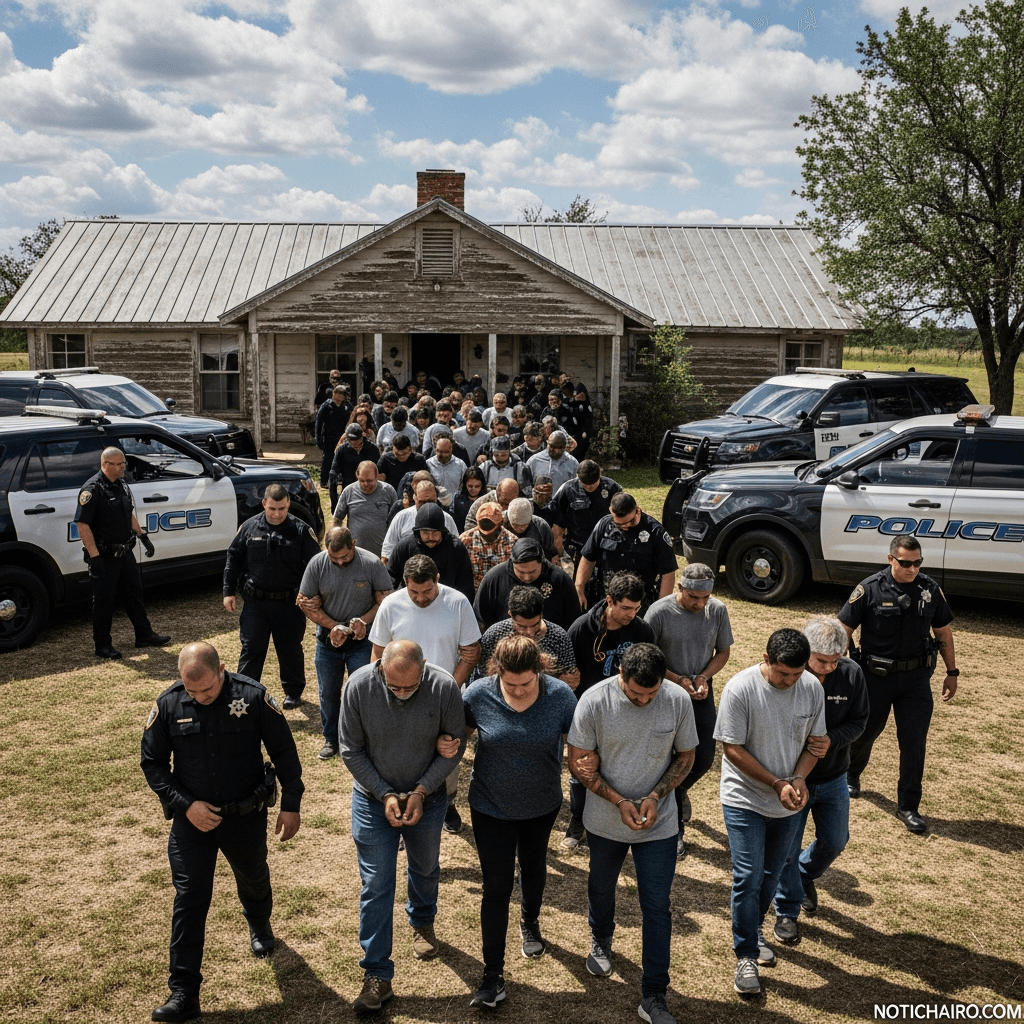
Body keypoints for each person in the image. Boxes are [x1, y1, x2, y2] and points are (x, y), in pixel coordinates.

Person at [141, 642, 303, 1023]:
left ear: (222, 670)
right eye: (192, 691)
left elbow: (284, 752)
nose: (199, 697)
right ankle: (183, 992)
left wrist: (291, 804)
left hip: (244, 815)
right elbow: (152, 763)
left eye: (207, 690)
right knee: (190, 896)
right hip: (192, 821)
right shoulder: (169, 704)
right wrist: (186, 805)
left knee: (252, 874)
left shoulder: (253, 697)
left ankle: (259, 920)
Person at [567, 644, 696, 1024]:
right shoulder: (593, 702)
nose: (643, 701)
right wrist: (618, 800)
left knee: (657, 906)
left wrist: (656, 796)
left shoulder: (676, 700)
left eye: (650, 694)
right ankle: (601, 938)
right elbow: (577, 762)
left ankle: (654, 994)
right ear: (620, 674)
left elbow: (685, 756)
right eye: (636, 693)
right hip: (605, 821)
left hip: (659, 822)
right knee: (601, 887)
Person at [339, 640, 466, 1014]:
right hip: (372, 799)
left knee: (424, 865)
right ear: (380, 667)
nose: (404, 693)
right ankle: (377, 974)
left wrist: (423, 791)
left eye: (411, 687)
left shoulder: (443, 687)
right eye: (395, 687)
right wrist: (384, 794)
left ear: (424, 668)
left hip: (427, 796)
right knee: (377, 882)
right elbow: (350, 749)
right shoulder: (359, 687)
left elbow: (455, 745)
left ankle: (422, 920)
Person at [462, 635, 578, 1008]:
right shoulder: (478, 694)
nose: (517, 689)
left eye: (525, 683)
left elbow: (578, 744)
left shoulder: (560, 696)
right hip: (489, 806)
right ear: (496, 669)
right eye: (509, 683)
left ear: (539, 669)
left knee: (532, 866)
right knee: (496, 886)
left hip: (541, 805)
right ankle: (491, 975)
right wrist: (450, 745)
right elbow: (458, 737)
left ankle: (530, 922)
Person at [714, 628, 825, 997]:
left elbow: (815, 744)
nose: (790, 681)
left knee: (771, 873)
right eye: (782, 674)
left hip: (789, 800)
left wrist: (798, 778)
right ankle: (745, 954)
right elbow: (732, 748)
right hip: (744, 798)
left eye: (796, 674)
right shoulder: (740, 688)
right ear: (766, 659)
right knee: (747, 875)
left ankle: (755, 929)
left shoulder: (811, 687)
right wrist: (777, 784)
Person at [839, 534, 958, 834]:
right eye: (905, 563)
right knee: (864, 732)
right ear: (891, 559)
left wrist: (952, 672)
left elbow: (943, 632)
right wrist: (847, 662)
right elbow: (843, 627)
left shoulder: (929, 590)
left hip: (915, 681)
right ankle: (851, 773)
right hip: (874, 678)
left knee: (914, 743)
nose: (912, 569)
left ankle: (908, 806)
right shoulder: (869, 589)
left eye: (917, 563)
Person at [772, 617, 868, 944]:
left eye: (835, 660)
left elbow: (860, 721)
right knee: (786, 848)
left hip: (833, 777)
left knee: (836, 840)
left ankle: (803, 874)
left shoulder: (852, 674)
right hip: (791, 779)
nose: (827, 668)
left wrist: (833, 740)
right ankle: (786, 910)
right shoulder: (788, 676)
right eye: (820, 661)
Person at [370, 556, 482, 834]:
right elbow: (378, 653)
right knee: (401, 751)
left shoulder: (457, 603)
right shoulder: (391, 605)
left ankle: (448, 802)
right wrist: (387, 690)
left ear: (438, 579)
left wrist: (450, 687)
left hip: (446, 694)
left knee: (447, 748)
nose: (420, 598)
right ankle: (400, 803)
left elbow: (470, 652)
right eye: (414, 592)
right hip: (398, 694)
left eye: (427, 592)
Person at [644, 563, 733, 859]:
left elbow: (723, 652)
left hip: (698, 693)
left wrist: (703, 677)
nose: (699, 604)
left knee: (705, 756)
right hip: (664, 695)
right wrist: (677, 680)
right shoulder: (658, 612)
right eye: (693, 597)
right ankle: (675, 831)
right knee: (671, 758)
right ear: (680, 589)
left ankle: (677, 793)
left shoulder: (717, 610)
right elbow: (647, 657)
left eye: (704, 598)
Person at [563, 571, 655, 851]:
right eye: (626, 607)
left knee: (615, 770)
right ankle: (577, 822)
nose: (631, 614)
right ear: (609, 601)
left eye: (637, 608)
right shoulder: (581, 629)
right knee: (582, 771)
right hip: (588, 713)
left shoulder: (643, 631)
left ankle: (604, 825)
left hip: (628, 712)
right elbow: (568, 674)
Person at [297, 526, 393, 760]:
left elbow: (386, 601)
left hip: (362, 642)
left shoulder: (371, 563)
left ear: (354, 544)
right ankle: (331, 738)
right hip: (327, 643)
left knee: (364, 692)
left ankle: (363, 739)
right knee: (328, 693)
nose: (340, 562)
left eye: (345, 557)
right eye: (334, 558)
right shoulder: (317, 564)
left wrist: (364, 621)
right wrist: (333, 626)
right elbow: (306, 604)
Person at [223, 484, 322, 710]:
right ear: (264, 504)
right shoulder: (249, 527)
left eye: (283, 508)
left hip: (289, 603)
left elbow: (316, 565)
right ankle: (244, 693)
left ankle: (293, 692)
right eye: (273, 509)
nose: (277, 514)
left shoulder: (301, 530)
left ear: (288, 505)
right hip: (256, 602)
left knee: (290, 649)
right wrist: (228, 591)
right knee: (251, 647)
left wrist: (316, 595)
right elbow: (233, 558)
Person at [74, 445, 170, 659]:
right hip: (105, 556)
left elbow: (128, 514)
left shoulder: (121, 486)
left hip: (125, 552)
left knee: (134, 594)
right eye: (117, 465)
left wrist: (143, 536)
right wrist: (95, 556)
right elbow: (82, 524)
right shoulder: (92, 489)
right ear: (105, 464)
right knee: (103, 601)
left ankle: (144, 635)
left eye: (123, 464)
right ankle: (102, 645)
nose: (121, 469)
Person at [576, 492, 677, 612]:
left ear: (638, 510)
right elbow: (588, 557)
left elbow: (668, 573)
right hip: (607, 598)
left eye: (631, 521)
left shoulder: (655, 532)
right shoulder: (605, 525)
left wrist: (660, 607)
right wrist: (579, 586)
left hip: (640, 603)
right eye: (619, 524)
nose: (625, 526)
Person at [473, 585, 579, 689]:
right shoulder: (495, 635)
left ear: (541, 614)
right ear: (510, 614)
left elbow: (570, 681)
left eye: (535, 625)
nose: (530, 632)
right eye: (522, 626)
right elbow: (482, 678)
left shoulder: (559, 638)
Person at [474, 537, 581, 631]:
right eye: (521, 572)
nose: (527, 577)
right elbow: (480, 620)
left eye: (532, 572)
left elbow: (573, 620)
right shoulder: (494, 578)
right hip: (505, 645)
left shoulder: (560, 579)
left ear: (542, 563)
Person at [386, 502, 476, 605]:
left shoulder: (455, 548)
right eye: (425, 533)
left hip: (446, 606)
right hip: (412, 604)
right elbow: (390, 579)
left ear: (442, 531)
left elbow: (466, 585)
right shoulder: (405, 546)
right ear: (418, 531)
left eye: (435, 532)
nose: (430, 537)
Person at [550, 460, 622, 565]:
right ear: (578, 476)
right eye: (585, 484)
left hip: (606, 545)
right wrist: (557, 553)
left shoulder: (612, 488)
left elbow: (623, 518)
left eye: (593, 483)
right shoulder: (567, 490)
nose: (589, 487)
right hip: (577, 546)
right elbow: (557, 527)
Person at [381, 479, 459, 563]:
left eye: (430, 501)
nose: (426, 505)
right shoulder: (401, 517)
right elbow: (387, 552)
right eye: (422, 502)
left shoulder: (447, 519)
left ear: (436, 498)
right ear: (415, 497)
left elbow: (456, 549)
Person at [333, 461, 397, 558]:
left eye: (369, 480)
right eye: (362, 481)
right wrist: (338, 541)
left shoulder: (388, 491)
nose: (366, 484)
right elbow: (337, 519)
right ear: (357, 475)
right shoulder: (349, 492)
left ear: (377, 476)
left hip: (382, 554)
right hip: (355, 554)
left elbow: (396, 521)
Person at [460, 500, 518, 592]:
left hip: (501, 592)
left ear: (500, 523)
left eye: (490, 527)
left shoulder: (513, 542)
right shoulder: (465, 540)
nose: (486, 534)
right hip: (474, 593)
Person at [330, 423, 381, 513]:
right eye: (352, 442)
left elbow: (379, 470)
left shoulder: (372, 449)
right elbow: (334, 472)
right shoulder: (342, 450)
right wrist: (335, 501)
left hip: (369, 488)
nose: (355, 444)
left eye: (357, 441)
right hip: (350, 488)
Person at [317, 385, 354, 504]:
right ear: (333, 394)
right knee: (328, 459)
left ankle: (340, 479)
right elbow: (319, 423)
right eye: (338, 395)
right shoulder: (326, 406)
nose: (339, 398)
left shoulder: (346, 406)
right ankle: (324, 480)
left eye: (342, 396)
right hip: (329, 437)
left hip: (342, 437)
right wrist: (318, 439)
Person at [504, 496, 556, 560]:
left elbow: (551, 554)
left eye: (524, 525)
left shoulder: (541, 526)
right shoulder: (499, 523)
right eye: (515, 525)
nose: (520, 528)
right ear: (509, 519)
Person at [451, 466, 485, 532]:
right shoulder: (457, 498)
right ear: (465, 485)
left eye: (477, 486)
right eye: (470, 486)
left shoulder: (487, 499)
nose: (473, 489)